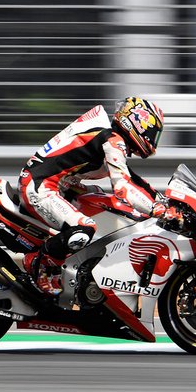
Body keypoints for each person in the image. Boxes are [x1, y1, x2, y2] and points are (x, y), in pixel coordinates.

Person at [17, 97, 181, 295]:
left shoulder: (111, 138)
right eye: (152, 131)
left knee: (102, 201)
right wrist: (158, 210)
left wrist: (165, 201)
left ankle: (78, 269)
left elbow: (133, 180)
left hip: (62, 186)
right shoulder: (111, 139)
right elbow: (123, 187)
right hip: (41, 187)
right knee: (84, 227)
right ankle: (38, 263)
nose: (152, 138)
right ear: (138, 122)